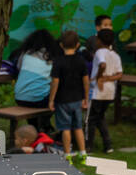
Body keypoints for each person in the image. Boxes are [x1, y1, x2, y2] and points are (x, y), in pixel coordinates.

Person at [48, 30, 89, 161]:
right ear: (77, 45)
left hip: (62, 100)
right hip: (77, 99)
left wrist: (51, 99)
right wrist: (86, 98)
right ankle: (83, 152)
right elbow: (86, 81)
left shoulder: (58, 62)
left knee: (65, 128)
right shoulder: (81, 60)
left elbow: (55, 82)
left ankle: (67, 154)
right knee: (78, 127)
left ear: (61, 45)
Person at [13, 29, 62, 132]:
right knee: (60, 95)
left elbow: (18, 69)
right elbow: (56, 79)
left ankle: (36, 128)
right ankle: (46, 124)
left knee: (39, 93)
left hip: (20, 98)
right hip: (39, 100)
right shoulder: (51, 57)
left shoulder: (25, 54)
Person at [89, 28, 122, 155]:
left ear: (98, 40)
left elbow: (102, 65)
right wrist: (108, 78)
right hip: (109, 92)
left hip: (98, 92)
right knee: (100, 117)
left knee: (91, 119)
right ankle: (107, 145)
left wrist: (99, 78)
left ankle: (89, 146)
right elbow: (119, 74)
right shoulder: (115, 55)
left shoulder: (99, 52)